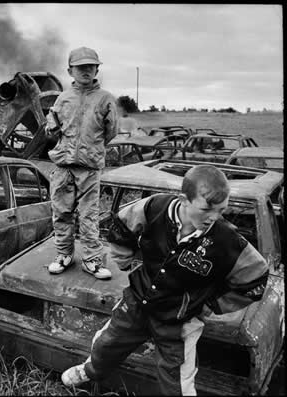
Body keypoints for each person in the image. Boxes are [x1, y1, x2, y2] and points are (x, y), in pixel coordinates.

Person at [60, 164, 269, 395]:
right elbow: (121, 225)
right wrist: (124, 260)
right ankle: (89, 372)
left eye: (221, 210)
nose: (213, 217)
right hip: (137, 304)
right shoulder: (154, 207)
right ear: (184, 199)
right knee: (106, 344)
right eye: (206, 209)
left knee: (178, 379)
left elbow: (256, 278)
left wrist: (212, 304)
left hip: (179, 322)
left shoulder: (227, 241)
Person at [45, 46, 119, 279]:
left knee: (89, 215)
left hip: (89, 168)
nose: (86, 71)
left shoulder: (105, 99)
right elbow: (51, 129)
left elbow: (111, 131)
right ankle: (64, 254)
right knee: (61, 212)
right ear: (70, 71)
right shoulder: (63, 98)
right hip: (63, 166)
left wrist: (90, 150)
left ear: (97, 69)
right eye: (80, 67)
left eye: (90, 66)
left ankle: (91, 259)